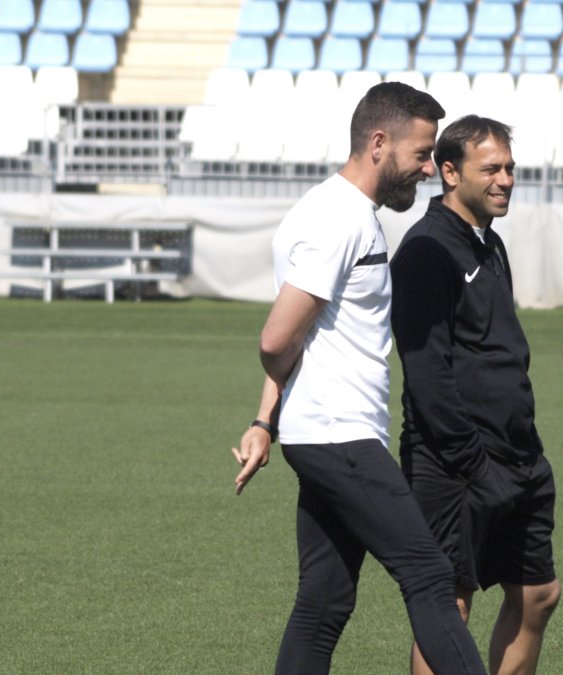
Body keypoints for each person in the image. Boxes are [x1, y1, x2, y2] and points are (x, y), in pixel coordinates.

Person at [231, 83, 486, 675]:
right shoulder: (336, 219)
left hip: (323, 434)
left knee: (324, 603)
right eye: (421, 154)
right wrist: (275, 410)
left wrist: (264, 419)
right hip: (338, 435)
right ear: (378, 143)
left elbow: (300, 333)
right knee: (428, 573)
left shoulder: (340, 212)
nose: (428, 169)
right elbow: (276, 337)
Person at [390, 115, 562, 675]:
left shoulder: (490, 244)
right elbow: (428, 375)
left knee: (538, 594)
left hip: (517, 453)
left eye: (510, 167)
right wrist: (473, 463)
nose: (505, 179)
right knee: (449, 605)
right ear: (448, 171)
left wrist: (522, 447)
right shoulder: (425, 252)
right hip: (454, 463)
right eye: (490, 168)